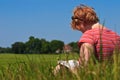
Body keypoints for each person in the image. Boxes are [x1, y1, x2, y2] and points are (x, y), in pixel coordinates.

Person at [54, 4, 120, 75]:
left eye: (81, 30)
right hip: (110, 73)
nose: (82, 33)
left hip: (94, 74)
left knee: (59, 68)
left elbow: (86, 66)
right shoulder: (116, 36)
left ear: (82, 23)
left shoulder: (89, 35)